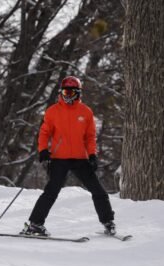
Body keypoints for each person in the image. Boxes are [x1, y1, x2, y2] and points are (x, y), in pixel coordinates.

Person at [21, 76, 116, 236]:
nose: (67, 95)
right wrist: (43, 150)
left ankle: (108, 222)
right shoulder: (53, 111)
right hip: (59, 159)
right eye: (65, 91)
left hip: (81, 159)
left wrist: (92, 155)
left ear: (77, 93)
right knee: (51, 191)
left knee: (98, 190)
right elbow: (44, 133)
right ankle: (35, 224)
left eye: (71, 92)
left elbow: (90, 137)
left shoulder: (85, 112)